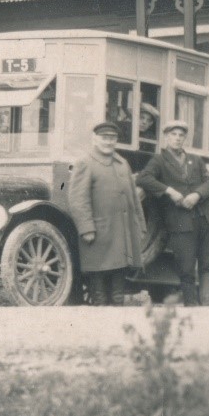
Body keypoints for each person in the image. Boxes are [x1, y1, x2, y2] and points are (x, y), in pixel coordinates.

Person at [137, 120, 209, 306]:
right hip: (181, 221)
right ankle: (191, 307)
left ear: (184, 138)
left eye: (181, 135)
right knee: (186, 268)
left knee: (207, 265)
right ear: (166, 137)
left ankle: (206, 306)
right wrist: (169, 191)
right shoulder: (159, 161)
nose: (177, 138)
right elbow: (143, 179)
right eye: (173, 135)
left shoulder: (196, 160)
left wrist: (197, 195)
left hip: (207, 219)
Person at [69, 121, 146, 305]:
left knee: (118, 289)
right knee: (99, 290)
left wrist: (140, 226)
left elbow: (134, 200)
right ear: (94, 139)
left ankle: (117, 321)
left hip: (121, 233)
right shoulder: (85, 163)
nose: (108, 142)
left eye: (112, 138)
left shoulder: (122, 164)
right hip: (98, 233)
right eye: (104, 138)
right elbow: (77, 199)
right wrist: (86, 228)